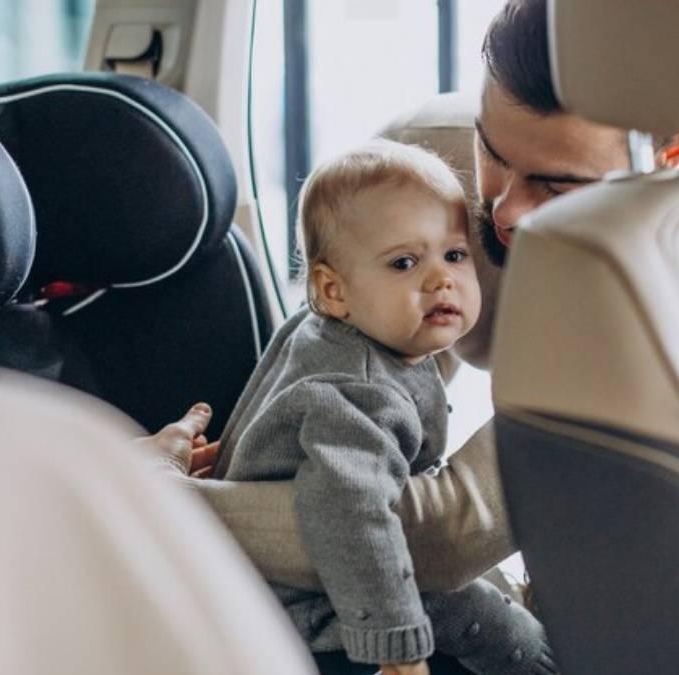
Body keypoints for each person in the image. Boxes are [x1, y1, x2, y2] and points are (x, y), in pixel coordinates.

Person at [147, 0, 679, 654]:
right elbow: (342, 393)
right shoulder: (423, 165)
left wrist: (158, 504)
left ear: (668, 155)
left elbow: (442, 533)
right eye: (491, 150)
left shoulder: (663, 298)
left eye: (555, 185)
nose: (504, 209)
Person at [216, 140, 555, 675]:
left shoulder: (326, 330)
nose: (441, 278)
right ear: (334, 291)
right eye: (404, 262)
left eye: (455, 254)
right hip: (315, 611)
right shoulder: (357, 392)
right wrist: (398, 651)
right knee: (481, 612)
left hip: (317, 585)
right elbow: (353, 515)